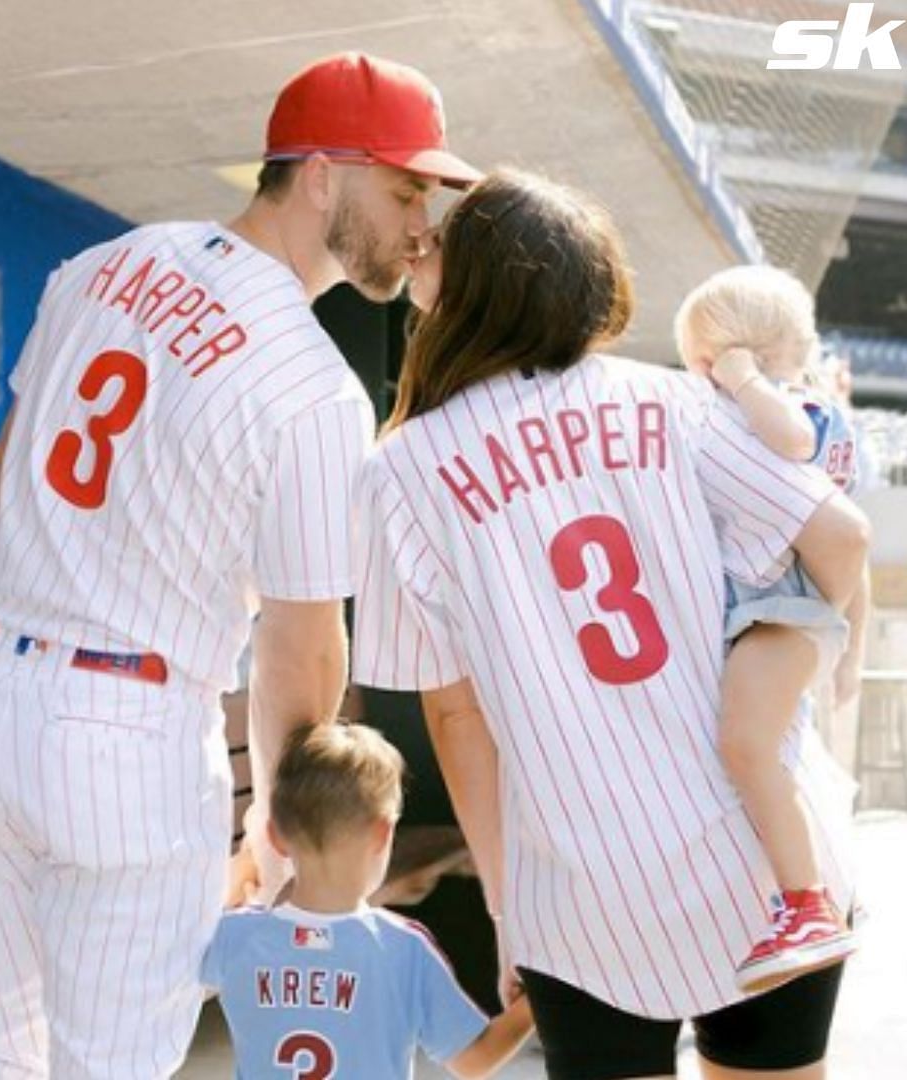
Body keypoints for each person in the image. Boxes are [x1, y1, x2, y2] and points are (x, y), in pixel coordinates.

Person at [0, 52, 479, 1078]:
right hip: (122, 730)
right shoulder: (314, 383)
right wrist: (285, 830)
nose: (424, 222)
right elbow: (299, 642)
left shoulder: (102, 265)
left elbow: (15, 469)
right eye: (406, 187)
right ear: (320, 171)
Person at [355, 169, 867, 1080]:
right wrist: (819, 673)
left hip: (581, 896)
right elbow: (835, 535)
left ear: (476, 287)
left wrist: (509, 909)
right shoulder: (680, 403)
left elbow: (455, 715)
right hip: (754, 861)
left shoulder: (403, 470)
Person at [673, 266, 868, 992]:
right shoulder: (796, 415)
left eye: (704, 362)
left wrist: (744, 381)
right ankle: (808, 895)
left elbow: (790, 446)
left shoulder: (796, 411)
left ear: (741, 353)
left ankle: (805, 903)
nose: (704, 381)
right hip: (793, 615)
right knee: (765, 754)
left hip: (780, 613)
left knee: (746, 747)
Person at [202, 723, 533, 1079]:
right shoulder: (404, 948)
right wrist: (535, 1002)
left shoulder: (234, 936)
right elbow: (472, 1061)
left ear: (276, 836)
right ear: (383, 833)